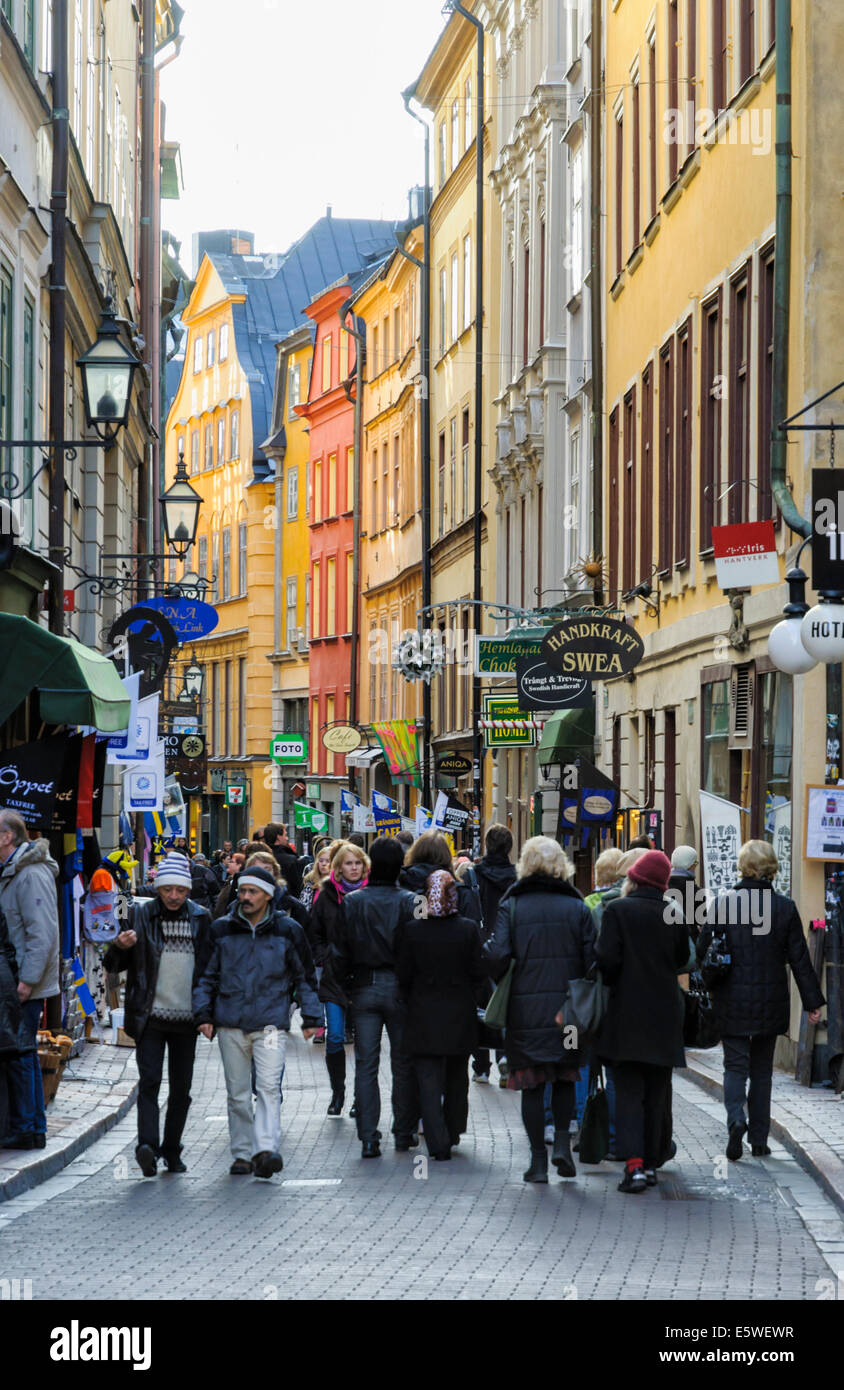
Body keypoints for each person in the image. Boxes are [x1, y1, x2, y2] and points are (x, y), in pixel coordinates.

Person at [697, 839, 824, 1162]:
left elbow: (701, 950)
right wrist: (812, 1003)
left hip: (731, 1000)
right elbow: (800, 959)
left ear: (743, 866)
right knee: (763, 1072)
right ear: (770, 868)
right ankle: (759, 1139)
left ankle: (736, 1120)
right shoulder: (783, 907)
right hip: (771, 1001)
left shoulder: (724, 904)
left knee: (735, 1067)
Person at [193, 866, 322, 1177]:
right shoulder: (222, 929)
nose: (245, 896)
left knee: (267, 1087)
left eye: (252, 891)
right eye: (242, 891)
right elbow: (205, 975)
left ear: (267, 895)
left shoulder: (288, 929)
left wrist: (311, 1016)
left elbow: (304, 975)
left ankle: (265, 1149)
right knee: (237, 1093)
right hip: (230, 1023)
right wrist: (203, 1014)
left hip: (271, 1024)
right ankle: (241, 1154)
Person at [485, 835, 596, 1184]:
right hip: (570, 1013)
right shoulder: (578, 907)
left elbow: (497, 955)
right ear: (561, 865)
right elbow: (594, 960)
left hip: (524, 1010)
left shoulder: (513, 906)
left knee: (532, 1084)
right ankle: (562, 1142)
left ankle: (537, 1162)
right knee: (564, 1076)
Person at [104, 852, 213, 1176]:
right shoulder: (139, 915)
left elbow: (209, 968)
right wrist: (119, 947)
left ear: (188, 890)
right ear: (158, 888)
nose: (174, 896)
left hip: (186, 1019)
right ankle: (146, 1147)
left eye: (180, 890)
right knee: (149, 1081)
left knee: (181, 1089)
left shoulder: (201, 918)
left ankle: (172, 1150)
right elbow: (112, 967)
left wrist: (208, 1013)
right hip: (149, 1016)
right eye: (168, 890)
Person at [594, 850, 690, 1194]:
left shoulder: (617, 910)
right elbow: (683, 958)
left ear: (634, 878)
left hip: (626, 1015)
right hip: (665, 1016)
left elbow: (606, 959)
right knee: (656, 1095)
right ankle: (650, 1165)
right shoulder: (673, 914)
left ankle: (633, 1166)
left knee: (630, 1093)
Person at [332, 837, 424, 1157]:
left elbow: (339, 950)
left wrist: (345, 987)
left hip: (364, 986)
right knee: (402, 1063)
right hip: (400, 988)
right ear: (400, 864)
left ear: (370, 864)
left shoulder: (354, 901)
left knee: (366, 1064)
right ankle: (403, 1131)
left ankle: (369, 1137)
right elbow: (419, 951)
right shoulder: (412, 901)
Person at [396, 870, 487, 1160]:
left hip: (423, 1014)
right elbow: (478, 973)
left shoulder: (413, 930)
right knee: (457, 1075)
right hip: (459, 1014)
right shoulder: (468, 929)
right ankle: (454, 1128)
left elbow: (404, 974)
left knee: (428, 1079)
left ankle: (437, 1141)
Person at [0, 809, 60, 1151]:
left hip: (24, 980)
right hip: (16, 977)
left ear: (8, 837)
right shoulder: (14, 871)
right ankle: (30, 1126)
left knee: (20, 1051)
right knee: (20, 1051)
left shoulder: (30, 874)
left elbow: (42, 932)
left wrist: (27, 980)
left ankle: (28, 1128)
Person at [310, 840, 369, 1113]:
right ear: (339, 867)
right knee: (334, 1037)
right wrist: (326, 955)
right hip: (334, 977)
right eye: (349, 863)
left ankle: (360, 1097)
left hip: (363, 978)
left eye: (357, 863)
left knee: (363, 1041)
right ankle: (338, 1093)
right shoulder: (326, 895)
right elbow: (315, 932)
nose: (354, 868)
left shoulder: (371, 893)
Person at [469, 823, 517, 1086]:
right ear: (509, 847)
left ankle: (481, 1067)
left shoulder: (474, 875)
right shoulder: (517, 878)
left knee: (481, 1007)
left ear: (487, 845)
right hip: (508, 949)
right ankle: (504, 1056)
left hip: (479, 947)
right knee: (505, 1005)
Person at [400, 830, 482, 928]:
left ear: (415, 853)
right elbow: (473, 931)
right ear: (447, 857)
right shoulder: (460, 891)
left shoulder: (402, 885)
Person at [666, 845, 707, 947]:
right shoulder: (697, 893)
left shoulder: (662, 888)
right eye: (695, 863)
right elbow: (704, 924)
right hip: (688, 947)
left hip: (665, 945)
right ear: (690, 866)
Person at [263, 823, 304, 898]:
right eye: (285, 835)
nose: (287, 838)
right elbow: (297, 888)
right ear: (278, 837)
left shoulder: (258, 858)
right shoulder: (290, 860)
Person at [300, 843, 332, 913]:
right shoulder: (310, 882)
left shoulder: (339, 884)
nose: (323, 864)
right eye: (321, 860)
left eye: (327, 861)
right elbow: (303, 908)